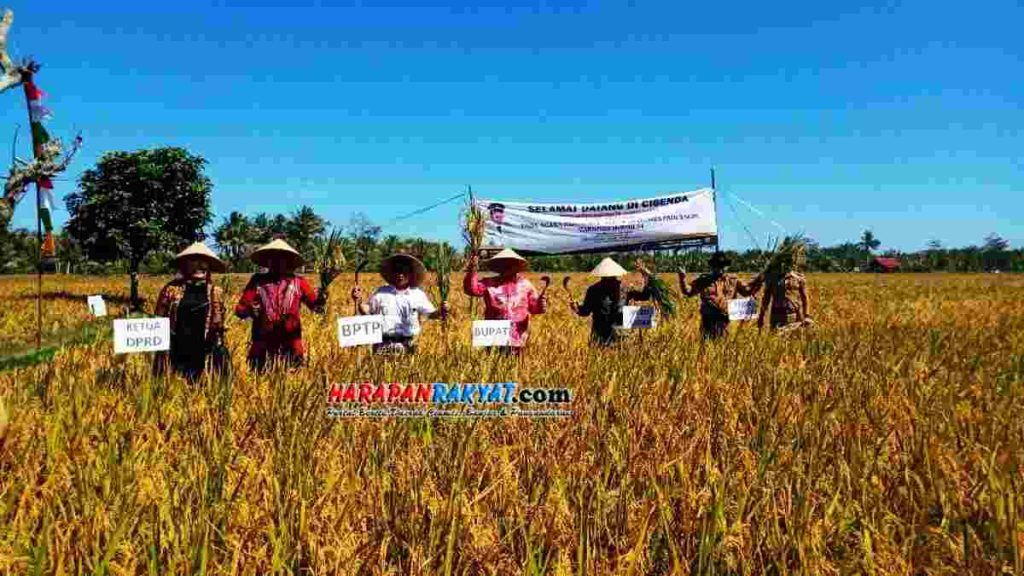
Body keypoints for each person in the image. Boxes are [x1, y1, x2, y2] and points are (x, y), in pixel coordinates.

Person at [234, 238, 328, 371]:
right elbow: (240, 310)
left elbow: (317, 308)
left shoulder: (299, 282)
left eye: (282, 257)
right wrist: (250, 310)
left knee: (291, 384)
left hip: (291, 346)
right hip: (262, 347)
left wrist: (322, 298)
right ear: (268, 260)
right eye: (273, 257)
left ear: (289, 260)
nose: (277, 261)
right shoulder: (258, 281)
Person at [152, 242, 228, 382]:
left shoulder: (216, 291)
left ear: (209, 266)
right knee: (173, 386)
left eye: (203, 262)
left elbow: (220, 320)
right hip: (176, 349)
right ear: (185, 265)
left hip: (203, 350)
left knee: (201, 388)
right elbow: (158, 318)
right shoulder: (171, 289)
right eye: (194, 261)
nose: (199, 266)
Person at [351, 253, 447, 355]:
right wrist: (359, 300)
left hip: (408, 346)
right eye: (397, 270)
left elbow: (431, 314)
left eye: (404, 271)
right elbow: (366, 311)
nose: (400, 274)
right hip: (382, 347)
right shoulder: (381, 292)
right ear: (392, 273)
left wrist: (442, 310)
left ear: (411, 274)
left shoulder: (417, 294)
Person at [463, 248, 547, 354]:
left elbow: (535, 308)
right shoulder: (489, 282)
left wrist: (541, 304)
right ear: (499, 266)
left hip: (517, 332)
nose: (507, 266)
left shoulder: (526, 285)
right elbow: (471, 289)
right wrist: (472, 269)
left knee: (514, 365)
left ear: (517, 265)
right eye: (503, 263)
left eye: (511, 263)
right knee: (491, 363)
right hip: (493, 331)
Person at [678, 251, 760, 340]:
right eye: (717, 265)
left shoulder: (733, 281)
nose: (720, 268)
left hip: (725, 324)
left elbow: (747, 291)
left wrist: (759, 280)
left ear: (726, 266)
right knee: (706, 351)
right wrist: (682, 278)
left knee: (724, 349)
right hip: (708, 323)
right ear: (712, 266)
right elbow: (688, 291)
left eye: (722, 265)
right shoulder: (704, 280)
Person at [571, 257, 651, 346]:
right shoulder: (624, 288)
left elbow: (585, 311)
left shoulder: (594, 290)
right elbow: (645, 295)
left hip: (602, 336)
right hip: (617, 335)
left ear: (601, 274)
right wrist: (647, 277)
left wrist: (576, 308)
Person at [756, 245, 812, 332]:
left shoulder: (799, 278)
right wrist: (761, 317)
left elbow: (805, 298)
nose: (784, 264)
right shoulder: (772, 278)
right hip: (776, 316)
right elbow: (766, 299)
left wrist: (807, 315)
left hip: (794, 315)